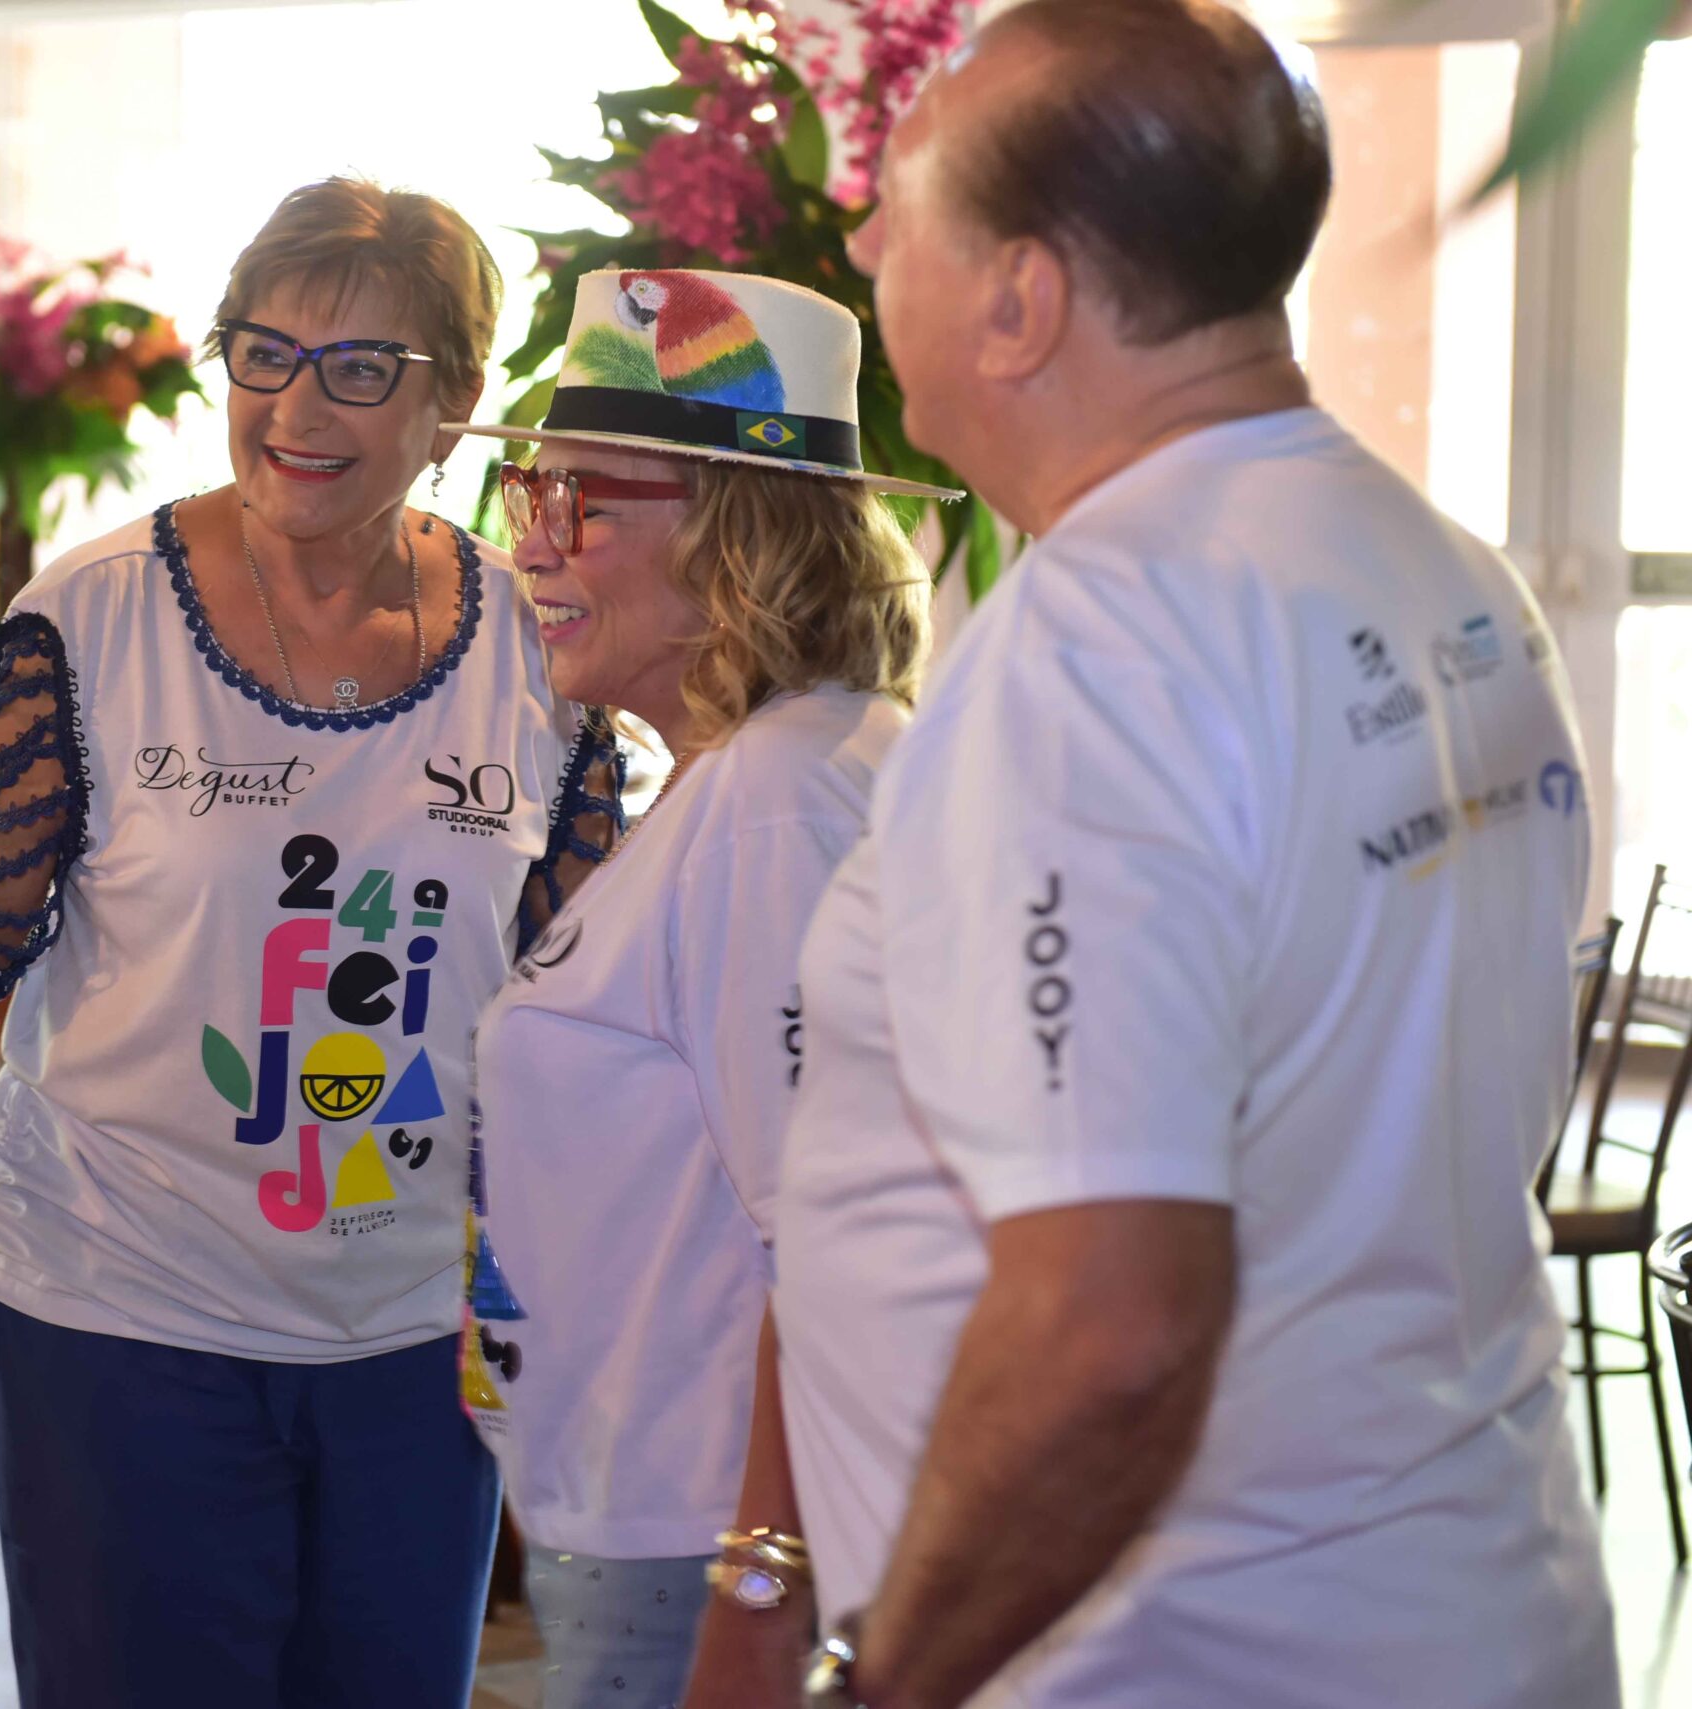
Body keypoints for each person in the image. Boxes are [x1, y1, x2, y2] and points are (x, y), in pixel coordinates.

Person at [715, 2, 1624, 1705]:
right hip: (1476, 1597)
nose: (864, 245)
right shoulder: (1445, 570)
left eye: (899, 206)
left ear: (1020, 299)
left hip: (1185, 1655)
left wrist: (879, 1681)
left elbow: (1113, 1323)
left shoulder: (1098, 647)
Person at [0, 176, 618, 1709]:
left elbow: (579, 997)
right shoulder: (92, 622)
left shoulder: (537, 648)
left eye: (362, 367)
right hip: (116, 1324)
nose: (297, 408)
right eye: (266, 352)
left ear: (453, 401)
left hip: (415, 1347)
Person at [444, 268, 940, 1709]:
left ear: (741, 532)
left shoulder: (778, 803)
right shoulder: (758, 774)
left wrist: (763, 1580)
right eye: (531, 492)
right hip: (654, 1516)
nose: (532, 544)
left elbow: (833, 1241)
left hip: (697, 1540)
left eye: (583, 502)